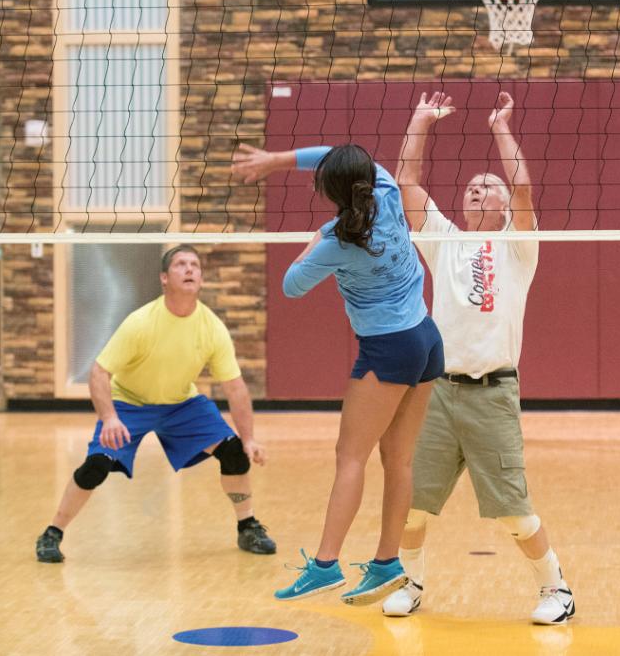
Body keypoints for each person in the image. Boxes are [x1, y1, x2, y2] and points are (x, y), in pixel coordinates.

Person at [377, 90, 575, 624]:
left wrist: (499, 126)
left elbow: (524, 186)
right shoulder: (443, 239)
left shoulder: (518, 247)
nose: (477, 191)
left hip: (493, 393)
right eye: (469, 187)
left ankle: (555, 589)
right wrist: (419, 120)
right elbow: (406, 183)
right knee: (412, 506)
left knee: (514, 511)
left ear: (505, 205)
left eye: (488, 186)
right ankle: (411, 582)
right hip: (438, 394)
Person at [232, 142, 444, 605]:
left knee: (350, 458)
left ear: (328, 192)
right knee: (399, 460)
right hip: (427, 340)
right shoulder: (386, 191)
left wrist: (316, 235)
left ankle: (326, 566)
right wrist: (278, 160)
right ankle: (388, 562)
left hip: (387, 350)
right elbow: (338, 154)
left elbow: (291, 285)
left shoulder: (336, 242)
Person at [35, 244, 276, 562]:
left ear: (201, 277)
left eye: (195, 265)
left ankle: (248, 526)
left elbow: (235, 387)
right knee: (96, 466)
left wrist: (249, 438)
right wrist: (109, 418)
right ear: (164, 277)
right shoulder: (141, 322)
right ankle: (52, 533)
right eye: (180, 264)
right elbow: (99, 371)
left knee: (235, 453)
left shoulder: (212, 327)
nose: (189, 269)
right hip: (128, 403)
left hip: (181, 404)